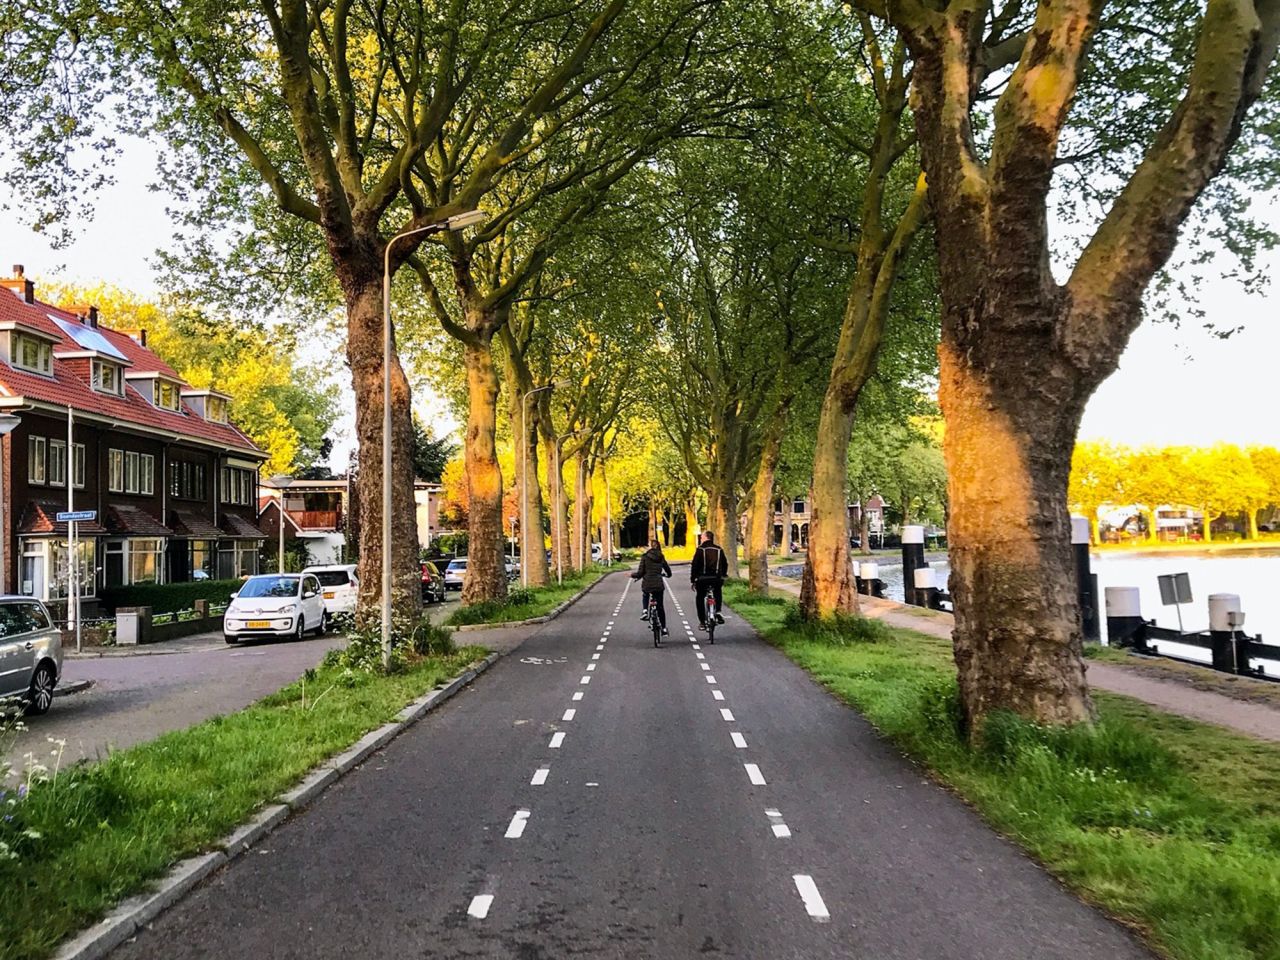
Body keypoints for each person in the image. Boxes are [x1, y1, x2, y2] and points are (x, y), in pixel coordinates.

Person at [631, 539, 672, 635]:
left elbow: (641, 572)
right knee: (660, 607)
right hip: (658, 584)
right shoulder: (661, 557)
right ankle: (664, 628)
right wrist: (668, 575)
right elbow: (667, 569)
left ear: (650, 546)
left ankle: (645, 610)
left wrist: (633, 575)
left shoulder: (645, 557)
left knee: (645, 594)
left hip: (647, 583)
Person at [690, 530, 728, 628]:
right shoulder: (719, 550)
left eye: (702, 537)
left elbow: (695, 565)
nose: (700, 539)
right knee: (717, 592)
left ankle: (702, 622)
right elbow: (725, 564)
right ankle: (718, 611)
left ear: (706, 538)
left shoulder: (700, 550)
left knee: (700, 598)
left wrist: (693, 579)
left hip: (702, 579)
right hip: (716, 579)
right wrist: (723, 574)